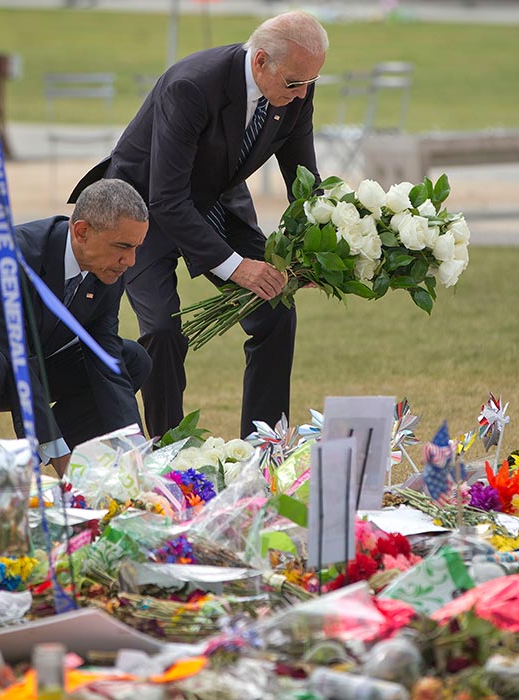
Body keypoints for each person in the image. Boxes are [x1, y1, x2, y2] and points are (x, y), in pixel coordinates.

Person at [70, 11, 328, 439]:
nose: (302, 95)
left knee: (274, 307)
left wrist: (323, 244)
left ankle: (262, 446)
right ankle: (170, 450)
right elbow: (166, 200)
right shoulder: (192, 85)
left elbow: (305, 180)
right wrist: (236, 266)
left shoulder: (296, 86)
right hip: (142, 205)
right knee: (162, 330)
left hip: (216, 199)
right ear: (260, 61)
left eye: (310, 83)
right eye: (294, 83)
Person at [0, 178, 151, 476]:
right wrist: (58, 456)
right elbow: (12, 355)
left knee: (132, 359)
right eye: (123, 246)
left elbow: (105, 356)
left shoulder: (109, 266)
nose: (131, 260)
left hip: (14, 365)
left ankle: (76, 465)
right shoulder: (4, 255)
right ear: (82, 232)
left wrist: (134, 448)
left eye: (137, 247)